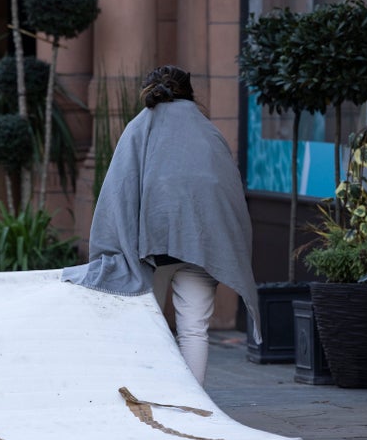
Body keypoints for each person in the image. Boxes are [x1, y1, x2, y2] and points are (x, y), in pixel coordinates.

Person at [62, 65, 258, 384]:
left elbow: (119, 190)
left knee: (145, 326)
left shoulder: (139, 128)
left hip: (150, 249)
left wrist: (111, 246)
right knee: (194, 330)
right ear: (191, 94)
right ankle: (195, 411)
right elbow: (228, 193)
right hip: (203, 246)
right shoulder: (209, 132)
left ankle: (151, 402)